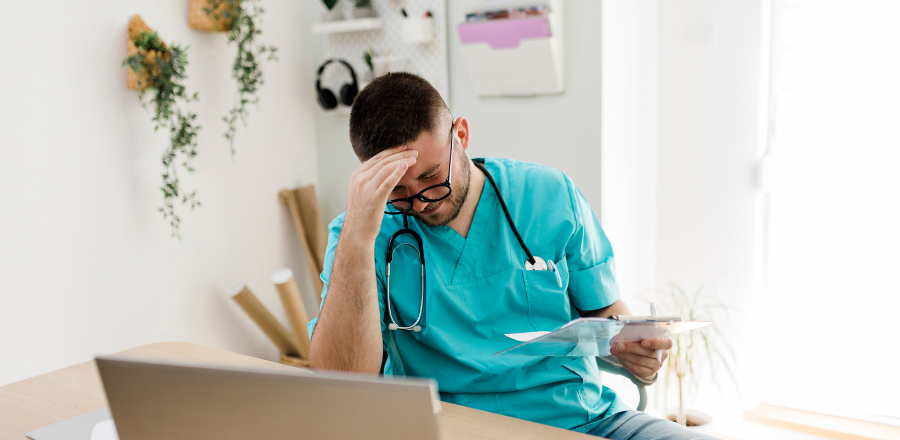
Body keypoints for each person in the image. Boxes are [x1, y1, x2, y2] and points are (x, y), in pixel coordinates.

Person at [307, 72, 718, 440]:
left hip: (583, 419)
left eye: (432, 176)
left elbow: (608, 316)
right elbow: (341, 382)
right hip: (446, 428)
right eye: (397, 190)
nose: (421, 201)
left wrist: (635, 354)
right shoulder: (360, 233)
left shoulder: (548, 196)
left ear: (461, 136)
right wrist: (360, 238)